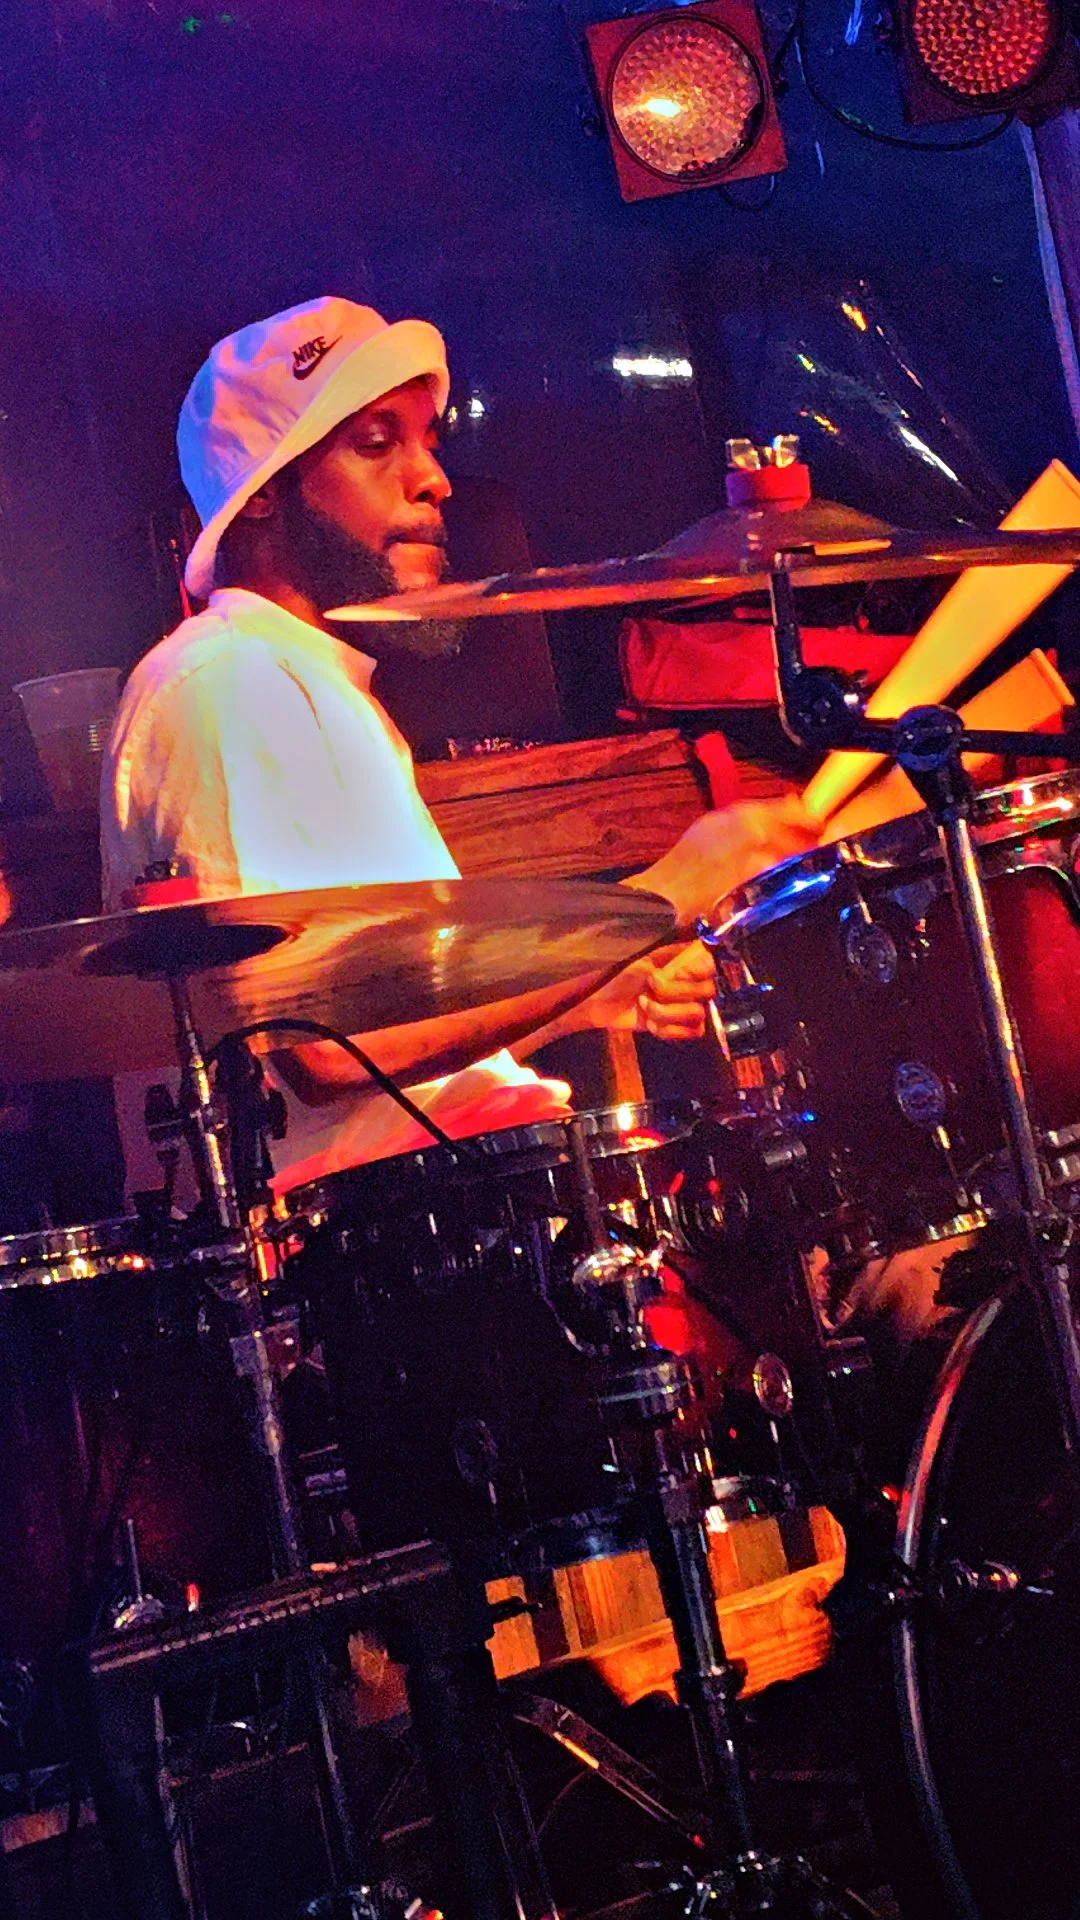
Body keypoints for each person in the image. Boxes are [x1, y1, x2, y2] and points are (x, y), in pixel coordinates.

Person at [101, 296, 812, 1193]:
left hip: (438, 1225)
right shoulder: (230, 686)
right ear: (263, 496)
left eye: (429, 439)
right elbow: (318, 1054)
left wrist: (586, 993)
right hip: (378, 1276)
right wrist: (654, 903)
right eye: (376, 442)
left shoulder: (314, 686)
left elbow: (392, 1029)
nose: (433, 478)